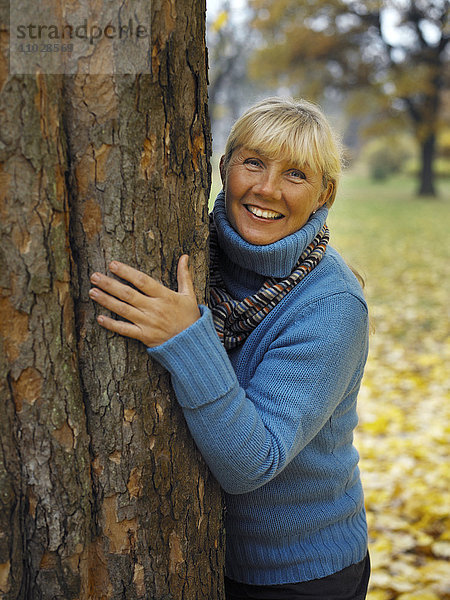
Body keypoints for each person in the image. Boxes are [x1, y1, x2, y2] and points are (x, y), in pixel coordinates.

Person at [89, 97, 371, 599]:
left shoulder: (332, 306)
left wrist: (186, 338)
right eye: (253, 162)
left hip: (301, 574)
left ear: (325, 193)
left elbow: (252, 461)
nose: (267, 188)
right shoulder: (190, 245)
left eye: (296, 175)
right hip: (199, 558)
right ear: (224, 166)